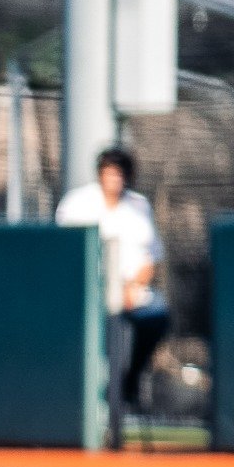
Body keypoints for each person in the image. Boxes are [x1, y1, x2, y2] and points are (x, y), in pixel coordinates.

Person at [57, 148, 169, 424]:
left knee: (157, 314)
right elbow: (65, 253)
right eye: (109, 172)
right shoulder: (78, 203)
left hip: (130, 291)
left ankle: (128, 383)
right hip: (87, 293)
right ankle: (82, 393)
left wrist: (132, 287)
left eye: (120, 173)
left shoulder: (139, 206)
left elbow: (151, 258)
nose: (114, 178)